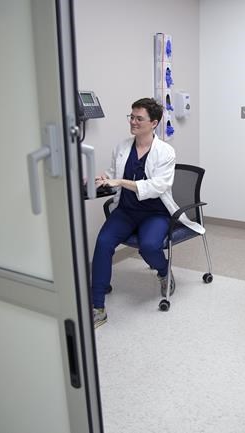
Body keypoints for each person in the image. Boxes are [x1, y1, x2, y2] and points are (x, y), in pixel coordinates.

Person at [91, 97, 204, 327]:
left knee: (150, 246)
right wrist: (103, 179)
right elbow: (114, 174)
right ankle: (97, 306)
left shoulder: (166, 152)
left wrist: (120, 181)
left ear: (153, 123)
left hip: (155, 212)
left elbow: (157, 186)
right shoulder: (122, 147)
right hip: (126, 210)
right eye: (131, 117)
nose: (133, 122)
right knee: (103, 243)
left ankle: (164, 272)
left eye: (139, 118)